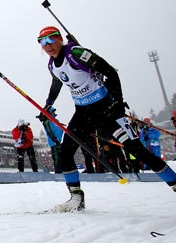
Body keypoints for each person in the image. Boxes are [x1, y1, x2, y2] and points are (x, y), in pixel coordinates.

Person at [36, 26, 176, 211]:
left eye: (50, 39)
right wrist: (48, 104)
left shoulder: (76, 53)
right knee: (65, 152)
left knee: (139, 151)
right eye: (42, 42)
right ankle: (76, 198)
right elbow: (57, 82)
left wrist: (117, 102)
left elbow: (111, 72)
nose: (47, 45)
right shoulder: (52, 65)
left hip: (104, 110)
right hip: (82, 113)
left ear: (59, 38)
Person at [37, 107, 64, 173]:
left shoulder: (55, 121)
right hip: (54, 142)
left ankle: (61, 169)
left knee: (61, 156)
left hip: (59, 141)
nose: (54, 113)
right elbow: (49, 131)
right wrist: (54, 139)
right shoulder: (47, 122)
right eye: (53, 112)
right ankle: (58, 170)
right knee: (57, 157)